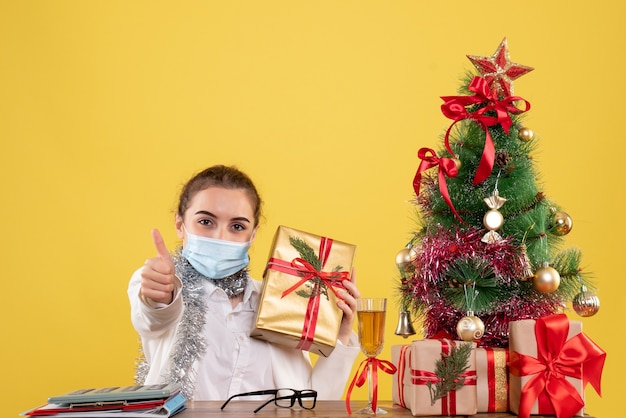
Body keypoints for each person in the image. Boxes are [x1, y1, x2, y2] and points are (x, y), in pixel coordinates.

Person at [128, 164, 361, 401]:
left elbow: (311, 403)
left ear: (252, 235)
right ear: (180, 224)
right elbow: (155, 316)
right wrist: (161, 296)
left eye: (237, 226)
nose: (221, 236)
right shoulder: (163, 285)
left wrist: (340, 335)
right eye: (206, 222)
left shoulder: (280, 304)